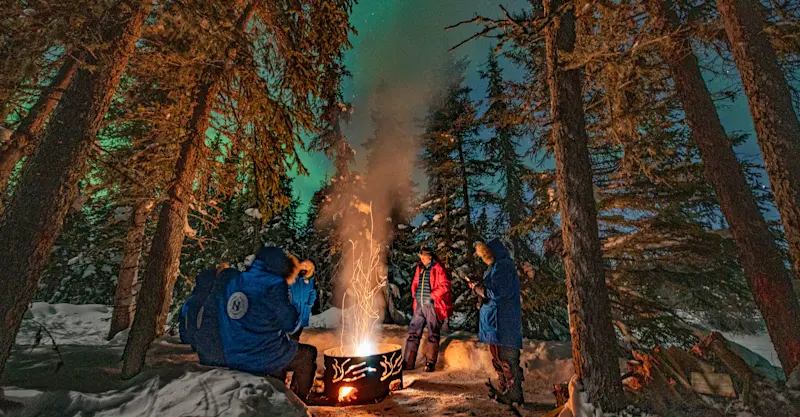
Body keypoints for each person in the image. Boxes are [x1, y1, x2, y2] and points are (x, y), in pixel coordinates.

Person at [180, 247, 318, 402]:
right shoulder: (273, 284)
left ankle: (279, 391)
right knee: (307, 356)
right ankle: (298, 402)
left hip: (233, 353)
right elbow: (290, 324)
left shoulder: (236, 281)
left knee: (281, 351)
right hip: (259, 354)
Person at [468, 239, 524, 405]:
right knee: (498, 358)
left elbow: (497, 292)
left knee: (507, 358)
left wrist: (479, 289)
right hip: (494, 322)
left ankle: (514, 393)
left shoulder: (503, 266)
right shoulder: (494, 267)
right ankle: (506, 389)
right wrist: (479, 286)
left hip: (503, 322)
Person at [403, 247, 453, 372]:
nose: (422, 259)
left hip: (432, 305)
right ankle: (408, 362)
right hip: (419, 304)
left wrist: (431, 296)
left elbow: (445, 285)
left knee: (433, 333)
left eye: (424, 257)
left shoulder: (438, 268)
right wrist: (415, 294)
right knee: (413, 333)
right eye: (421, 257)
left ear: (430, 257)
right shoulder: (420, 267)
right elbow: (415, 282)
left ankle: (430, 363)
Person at [288, 260, 317, 341]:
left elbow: (312, 292)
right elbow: (287, 291)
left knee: (299, 332)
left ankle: (295, 348)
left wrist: (310, 304)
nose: (303, 271)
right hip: (294, 309)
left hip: (304, 310)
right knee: (291, 331)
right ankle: (291, 348)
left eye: (305, 270)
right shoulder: (293, 279)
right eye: (301, 269)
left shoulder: (309, 281)